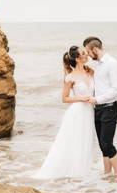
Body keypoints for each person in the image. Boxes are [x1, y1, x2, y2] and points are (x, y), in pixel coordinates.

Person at [32, 46, 99, 179]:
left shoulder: (91, 71)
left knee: (86, 140)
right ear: (77, 59)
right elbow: (64, 98)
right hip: (77, 112)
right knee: (73, 140)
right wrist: (81, 98)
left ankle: (83, 171)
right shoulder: (70, 77)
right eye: (84, 53)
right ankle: (72, 172)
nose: (87, 55)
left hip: (89, 111)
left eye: (86, 53)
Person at [83, 36, 117, 176]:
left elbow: (116, 89)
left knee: (107, 144)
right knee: (102, 146)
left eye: (88, 51)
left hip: (109, 108)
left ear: (95, 49)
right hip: (98, 109)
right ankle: (107, 174)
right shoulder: (98, 65)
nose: (87, 54)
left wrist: (97, 99)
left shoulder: (112, 63)